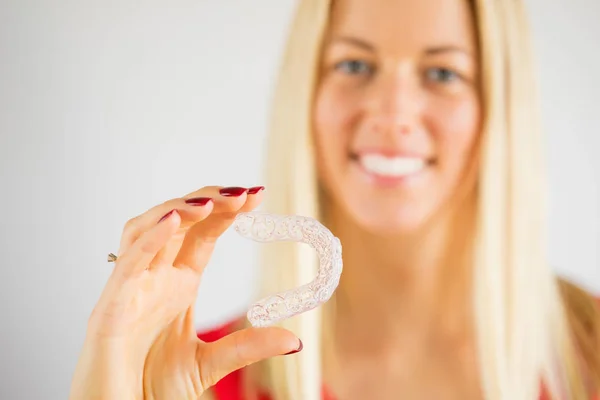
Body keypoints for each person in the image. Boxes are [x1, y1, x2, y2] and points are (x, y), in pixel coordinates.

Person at [69, 0, 600, 399]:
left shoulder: (589, 356)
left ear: (499, 105)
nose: (392, 113)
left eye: (443, 73)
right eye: (354, 65)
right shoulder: (198, 376)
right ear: (307, 90)